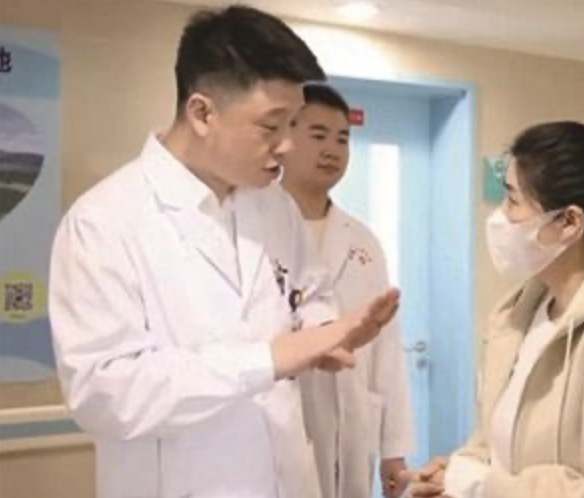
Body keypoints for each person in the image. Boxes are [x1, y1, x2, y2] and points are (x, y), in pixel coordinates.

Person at [48, 6, 400, 498]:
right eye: (271, 126)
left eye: (293, 123)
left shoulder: (274, 207)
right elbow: (105, 393)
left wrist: (324, 332)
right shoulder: (105, 222)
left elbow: (310, 289)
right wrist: (269, 358)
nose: (287, 145)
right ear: (202, 113)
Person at [409, 98, 584, 498]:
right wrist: (461, 471)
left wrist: (481, 485)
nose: (499, 217)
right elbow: (502, 446)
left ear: (568, 222)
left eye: (513, 201)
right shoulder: (520, 313)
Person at [281, 83, 414, 498]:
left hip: (353, 426)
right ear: (284, 137)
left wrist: (394, 449)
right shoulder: (255, 229)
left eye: (342, 139)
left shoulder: (363, 241)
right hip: (284, 422)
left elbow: (387, 349)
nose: (332, 150)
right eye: (318, 135)